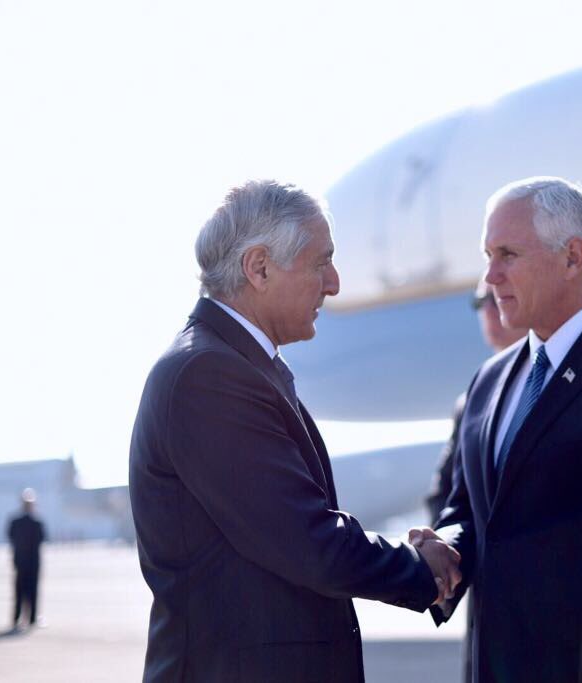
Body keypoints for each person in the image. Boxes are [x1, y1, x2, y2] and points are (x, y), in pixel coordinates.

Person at [129, 180, 461, 682]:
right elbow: (307, 541)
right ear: (258, 267)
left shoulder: (234, 364)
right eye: (320, 263)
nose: (334, 283)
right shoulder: (209, 376)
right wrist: (419, 569)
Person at [411, 177, 582, 682]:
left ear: (573, 257)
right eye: (487, 255)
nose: (490, 276)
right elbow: (471, 510)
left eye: (507, 254)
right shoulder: (488, 380)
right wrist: (440, 549)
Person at [424, 282, 528, 683]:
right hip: (491, 611)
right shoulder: (480, 390)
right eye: (479, 300)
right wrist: (443, 556)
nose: (488, 308)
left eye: (488, 298)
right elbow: (450, 495)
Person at [424, 282, 528, 522]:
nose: (489, 310)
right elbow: (443, 494)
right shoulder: (472, 400)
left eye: (498, 298)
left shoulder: (550, 380)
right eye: (480, 301)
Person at [7, 487, 46, 629]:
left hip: (20, 562)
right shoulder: (37, 522)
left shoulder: (15, 522)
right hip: (33, 562)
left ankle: (16, 619)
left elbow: (10, 537)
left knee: (19, 591)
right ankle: (31, 619)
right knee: (32, 591)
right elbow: (42, 539)